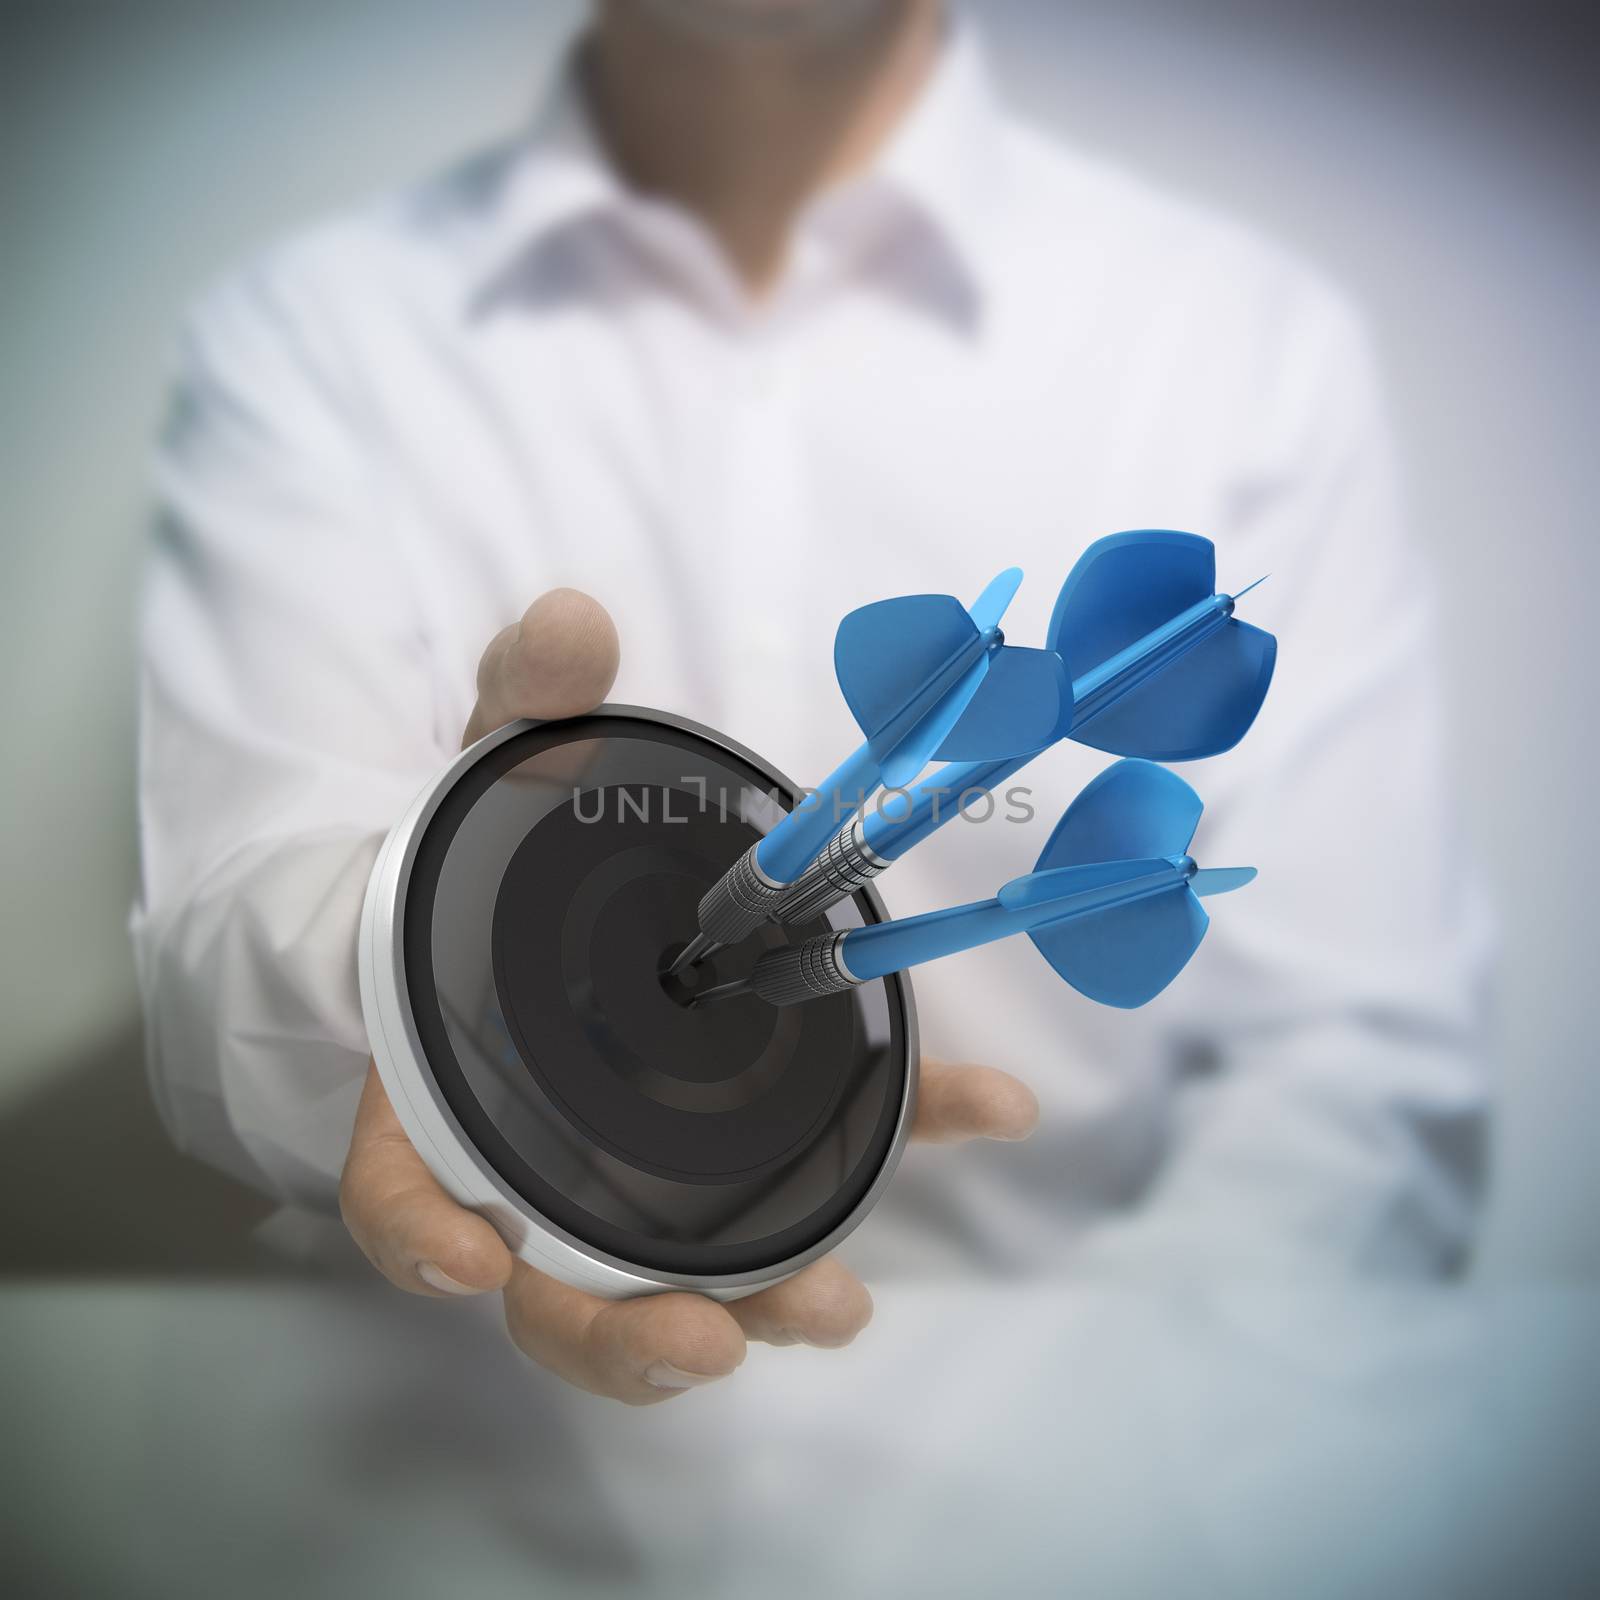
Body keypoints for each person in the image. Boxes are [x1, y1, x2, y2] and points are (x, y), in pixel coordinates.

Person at [133, 0, 1490, 1406]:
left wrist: (1085, 1456)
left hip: (1068, 1469)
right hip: (411, 1467)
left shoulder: (1248, 345)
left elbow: (1364, 1074)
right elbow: (220, 955)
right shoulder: (314, 335)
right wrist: (403, 969)